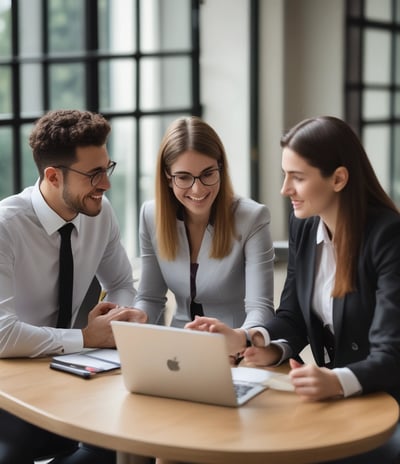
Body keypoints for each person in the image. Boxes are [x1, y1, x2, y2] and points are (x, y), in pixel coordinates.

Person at [187, 116, 400, 463]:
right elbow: (293, 317)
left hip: (385, 403)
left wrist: (336, 381)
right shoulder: (306, 226)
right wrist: (247, 339)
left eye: (297, 178)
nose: (285, 189)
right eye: (285, 175)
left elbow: (392, 355)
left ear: (339, 179)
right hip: (338, 402)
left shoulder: (388, 238)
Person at [0, 109, 147, 464]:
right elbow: (2, 335)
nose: (107, 184)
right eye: (94, 174)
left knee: (126, 445)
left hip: (70, 373)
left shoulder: (100, 211)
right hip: (8, 383)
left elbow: (121, 282)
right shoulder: (6, 227)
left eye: (107, 168)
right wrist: (86, 338)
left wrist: (118, 316)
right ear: (53, 176)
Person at [133, 116, 275, 340]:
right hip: (177, 350)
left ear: (221, 168)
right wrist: (134, 318)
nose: (197, 189)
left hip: (236, 347)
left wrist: (241, 339)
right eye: (183, 177)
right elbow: (150, 298)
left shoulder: (252, 218)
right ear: (168, 177)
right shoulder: (150, 215)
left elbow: (261, 309)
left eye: (208, 174)